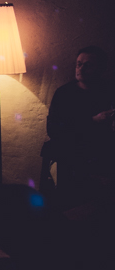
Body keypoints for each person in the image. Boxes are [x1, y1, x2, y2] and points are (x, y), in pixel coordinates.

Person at [46, 45, 115, 209]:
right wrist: (93, 120)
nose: (81, 69)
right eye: (79, 64)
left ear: (100, 68)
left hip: (103, 153)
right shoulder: (64, 94)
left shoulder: (109, 91)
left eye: (88, 65)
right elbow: (54, 130)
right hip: (72, 154)